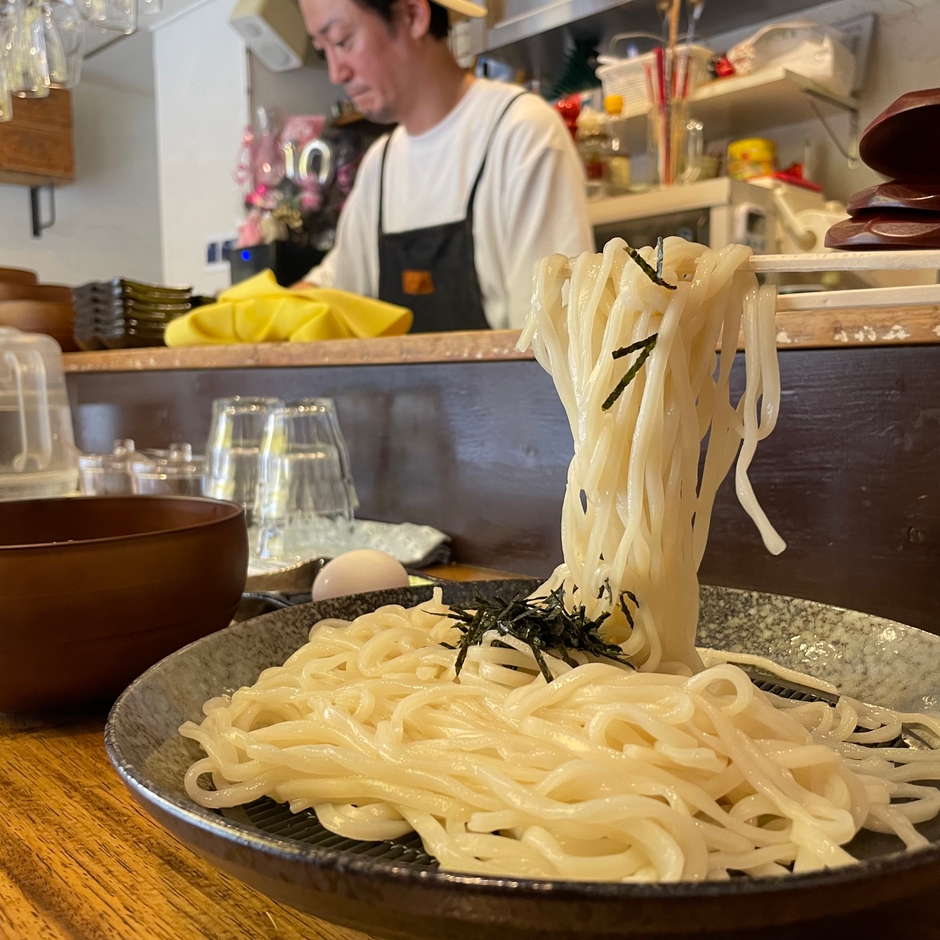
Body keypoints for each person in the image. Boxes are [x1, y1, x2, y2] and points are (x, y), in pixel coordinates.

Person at [296, 0, 594, 332]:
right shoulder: (379, 166)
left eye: (341, 41)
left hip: (505, 386)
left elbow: (556, 339)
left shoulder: (521, 133)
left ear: (412, 15)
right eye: (324, 52)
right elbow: (336, 291)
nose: (337, 73)